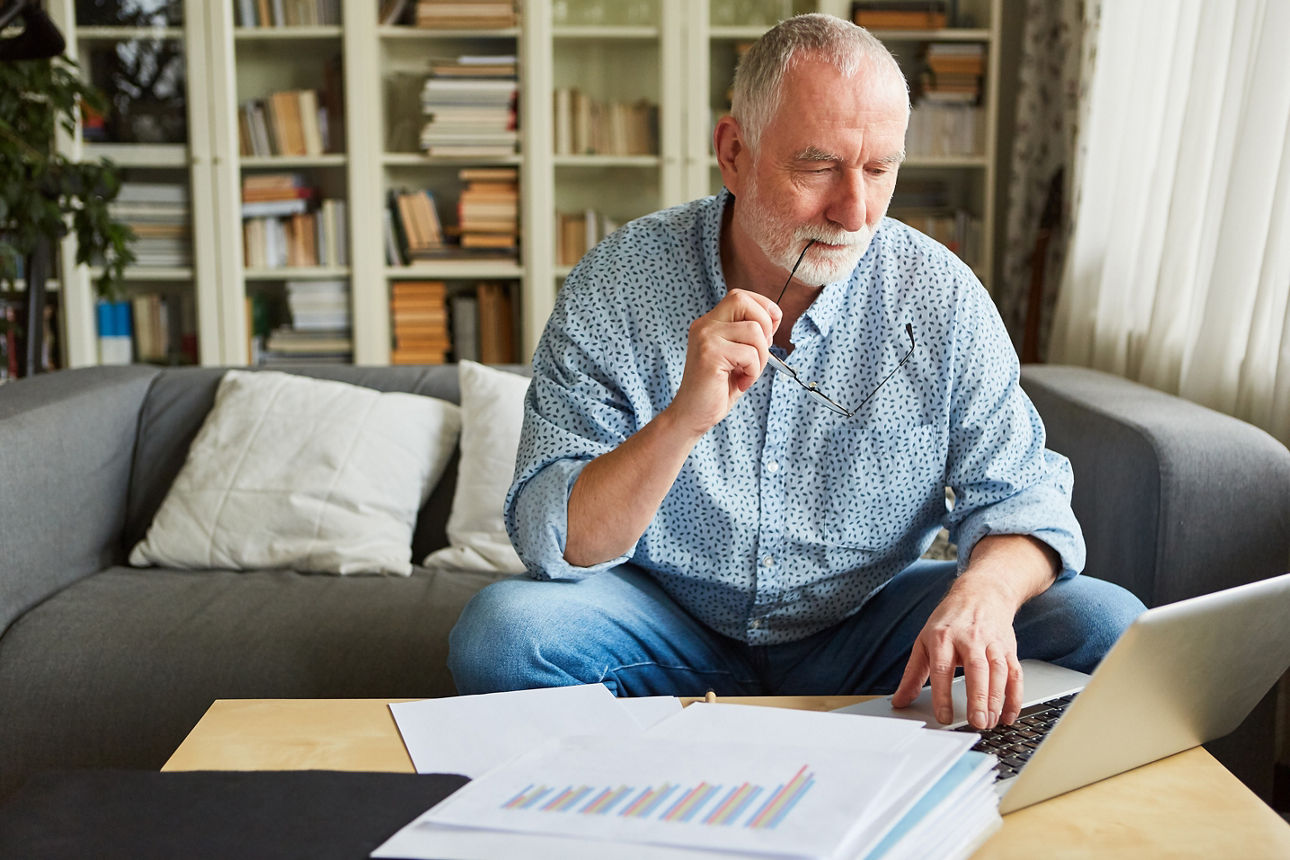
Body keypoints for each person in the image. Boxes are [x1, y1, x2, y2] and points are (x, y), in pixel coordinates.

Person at [448, 13, 1145, 731]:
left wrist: (985, 595)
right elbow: (554, 543)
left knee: (1105, 624)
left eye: (879, 170)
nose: (853, 212)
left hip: (871, 630)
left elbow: (1023, 497)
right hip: (665, 626)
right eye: (817, 167)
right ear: (734, 152)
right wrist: (681, 422)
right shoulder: (620, 281)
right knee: (503, 636)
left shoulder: (940, 295)